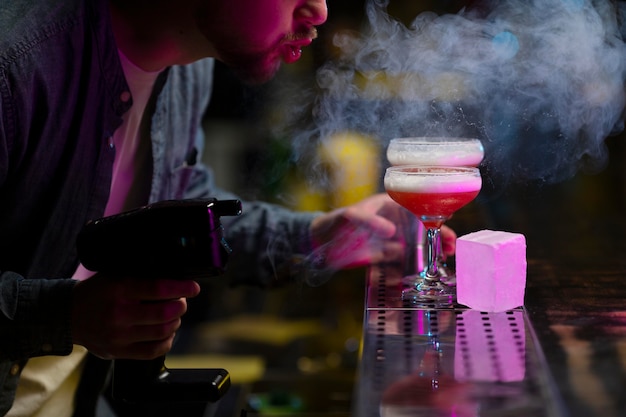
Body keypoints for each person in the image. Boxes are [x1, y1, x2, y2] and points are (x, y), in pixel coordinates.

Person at [0, 0, 457, 415]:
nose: (318, 11)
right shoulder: (14, 66)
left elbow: (179, 209)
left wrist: (317, 235)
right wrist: (65, 315)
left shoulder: (189, 65)